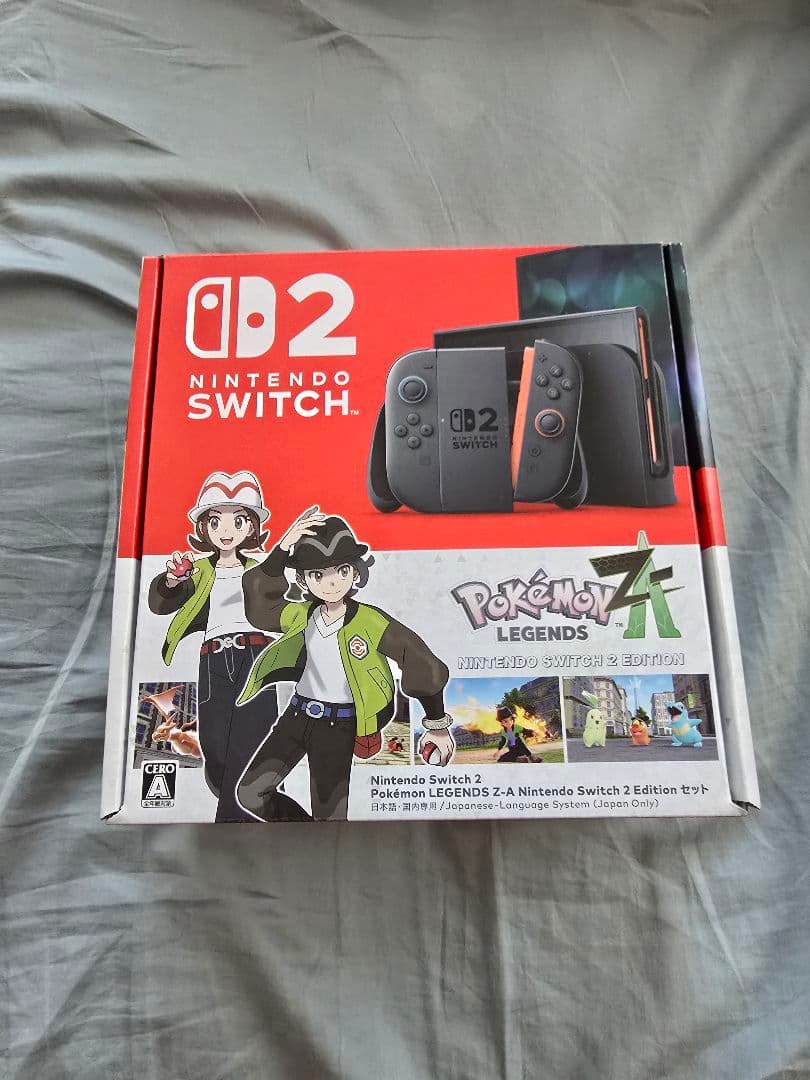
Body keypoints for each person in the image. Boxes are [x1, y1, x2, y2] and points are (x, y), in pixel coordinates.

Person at [236, 507, 454, 820]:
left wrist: (436, 724)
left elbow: (419, 659)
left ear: (355, 572)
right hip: (296, 716)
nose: (331, 583)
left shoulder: (369, 621)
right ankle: (307, 838)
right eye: (317, 575)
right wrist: (283, 547)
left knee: (330, 819)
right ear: (304, 580)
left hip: (338, 727)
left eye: (341, 570)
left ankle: (322, 842)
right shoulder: (300, 615)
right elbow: (261, 607)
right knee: (251, 793)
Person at [147, 470, 277, 821]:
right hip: (213, 661)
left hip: (255, 655)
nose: (226, 531)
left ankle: (235, 818)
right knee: (216, 747)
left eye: (238, 521)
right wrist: (173, 579)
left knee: (251, 740)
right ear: (204, 528)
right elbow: (160, 603)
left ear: (251, 527)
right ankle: (249, 794)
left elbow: (283, 603)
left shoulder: (261, 568)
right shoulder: (199, 570)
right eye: (216, 521)